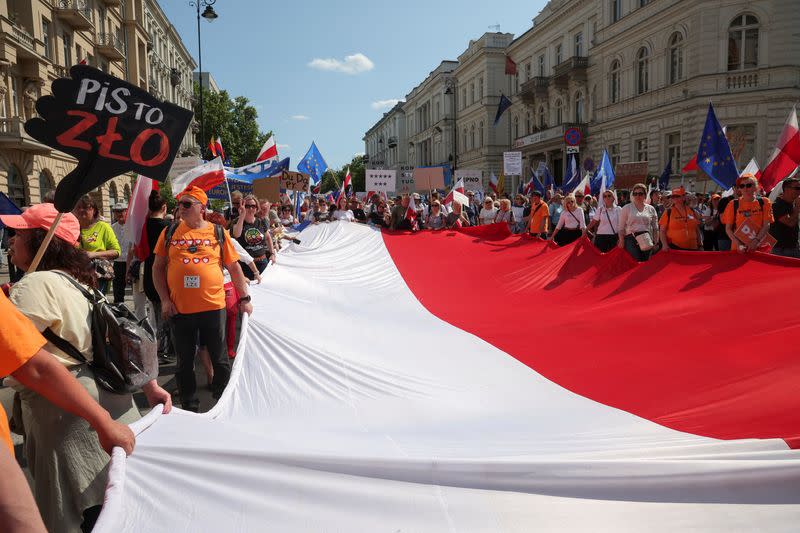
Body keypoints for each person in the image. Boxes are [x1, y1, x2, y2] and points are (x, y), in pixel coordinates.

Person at [2, 203, 167, 533]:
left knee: (66, 515)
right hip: (110, 403)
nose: (11, 243)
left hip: (63, 412)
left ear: (41, 241)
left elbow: (25, 358)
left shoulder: (34, 286)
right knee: (111, 507)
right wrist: (150, 386)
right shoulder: (82, 284)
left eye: (18, 235)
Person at [0, 290, 138, 533]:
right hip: (88, 394)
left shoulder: (31, 287)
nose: (10, 250)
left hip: (58, 405)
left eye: (14, 247)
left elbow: (34, 366)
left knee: (62, 502)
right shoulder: (80, 284)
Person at [153, 187, 251, 411]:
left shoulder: (218, 232)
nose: (181, 208)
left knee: (220, 359)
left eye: (187, 204)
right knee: (184, 362)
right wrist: (165, 301)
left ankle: (222, 403)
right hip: (180, 310)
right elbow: (157, 269)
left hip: (213, 308)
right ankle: (189, 405)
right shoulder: (169, 232)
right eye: (180, 204)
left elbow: (234, 268)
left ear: (202, 208)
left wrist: (244, 298)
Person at [73, 194, 120, 293]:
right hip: (76, 275)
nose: (81, 210)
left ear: (94, 210)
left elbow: (116, 251)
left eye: (85, 207)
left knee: (94, 305)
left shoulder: (103, 227)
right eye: (78, 207)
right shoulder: (72, 227)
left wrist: (93, 254)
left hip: (97, 276)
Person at [722, 174, 774, 254]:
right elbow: (728, 229)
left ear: (756, 187)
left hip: (760, 246)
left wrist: (756, 241)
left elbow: (766, 225)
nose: (745, 188)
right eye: (742, 186)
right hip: (739, 248)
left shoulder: (765, 202)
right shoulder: (733, 204)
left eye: (749, 185)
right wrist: (738, 244)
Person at [232, 194, 275, 279]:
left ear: (257, 208)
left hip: (263, 262)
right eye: (247, 206)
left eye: (253, 206)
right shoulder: (237, 221)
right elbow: (236, 234)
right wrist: (242, 216)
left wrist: (272, 253)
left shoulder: (260, 221)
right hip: (246, 265)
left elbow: (267, 238)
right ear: (243, 206)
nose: (251, 208)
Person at [617, 182, 659, 261]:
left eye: (640, 193)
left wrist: (656, 242)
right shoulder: (626, 208)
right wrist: (621, 240)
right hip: (631, 239)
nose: (637, 196)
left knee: (646, 263)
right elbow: (621, 227)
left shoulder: (651, 209)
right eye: (635, 194)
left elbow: (655, 227)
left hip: (646, 238)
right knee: (635, 262)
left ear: (645, 195)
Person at [659, 186, 702, 251]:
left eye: (677, 196)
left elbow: (697, 229)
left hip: (694, 248)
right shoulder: (668, 211)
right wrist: (664, 245)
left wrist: (700, 244)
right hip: (675, 248)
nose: (675, 198)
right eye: (673, 197)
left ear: (683, 197)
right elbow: (662, 231)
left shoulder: (691, 210)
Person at [769, 177, 800, 258]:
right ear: (786, 189)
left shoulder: (792, 204)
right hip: (781, 251)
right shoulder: (777, 205)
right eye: (797, 188)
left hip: (794, 248)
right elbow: (790, 223)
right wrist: (797, 208)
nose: (799, 191)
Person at [109, 202, 129, 304]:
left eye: (121, 211)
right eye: (116, 212)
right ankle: (120, 311)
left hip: (130, 261)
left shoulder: (132, 226)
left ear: (126, 211)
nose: (119, 214)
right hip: (118, 262)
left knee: (136, 290)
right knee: (118, 290)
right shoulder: (112, 228)